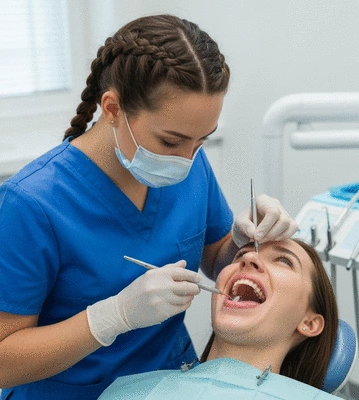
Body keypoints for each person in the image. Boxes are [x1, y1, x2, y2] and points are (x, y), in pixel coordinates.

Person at [0, 14, 297, 400]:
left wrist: (241, 241)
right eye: (171, 141)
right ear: (112, 108)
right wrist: (111, 317)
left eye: (201, 141)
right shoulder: (31, 204)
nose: (187, 158)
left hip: (173, 385)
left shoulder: (189, 167)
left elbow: (216, 260)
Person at [99, 238, 339, 399]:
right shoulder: (127, 392)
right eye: (241, 254)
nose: (248, 259)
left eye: (284, 260)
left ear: (309, 323)